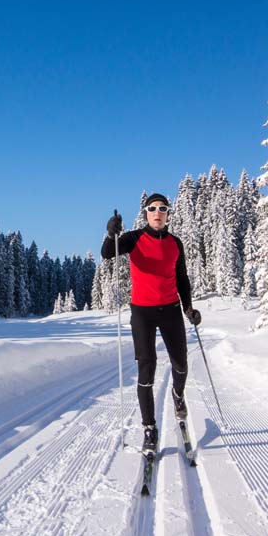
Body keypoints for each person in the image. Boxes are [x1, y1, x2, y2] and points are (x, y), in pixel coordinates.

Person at [101, 193, 201, 459]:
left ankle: (177, 395)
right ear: (146, 213)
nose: (158, 213)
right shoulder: (133, 238)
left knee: (181, 364)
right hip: (142, 313)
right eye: (152, 208)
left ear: (168, 213)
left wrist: (188, 308)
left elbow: (182, 279)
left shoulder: (175, 243)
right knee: (147, 369)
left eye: (163, 209)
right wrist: (111, 231)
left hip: (170, 311)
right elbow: (107, 253)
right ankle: (149, 428)